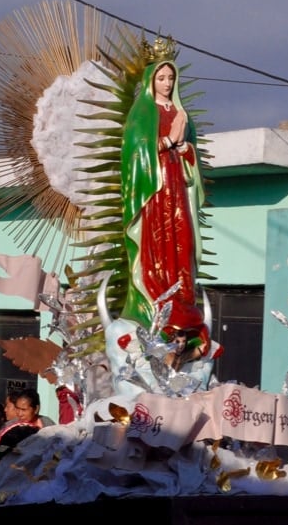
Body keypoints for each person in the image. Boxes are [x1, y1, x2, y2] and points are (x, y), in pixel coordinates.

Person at [120, 43, 211, 364]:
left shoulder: (180, 112)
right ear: (150, 81)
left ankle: (182, 302)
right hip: (155, 192)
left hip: (177, 189)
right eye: (162, 78)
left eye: (171, 78)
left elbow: (191, 157)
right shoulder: (143, 112)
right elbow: (136, 154)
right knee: (157, 247)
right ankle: (157, 301)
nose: (168, 84)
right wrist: (169, 140)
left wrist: (185, 149)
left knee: (182, 244)